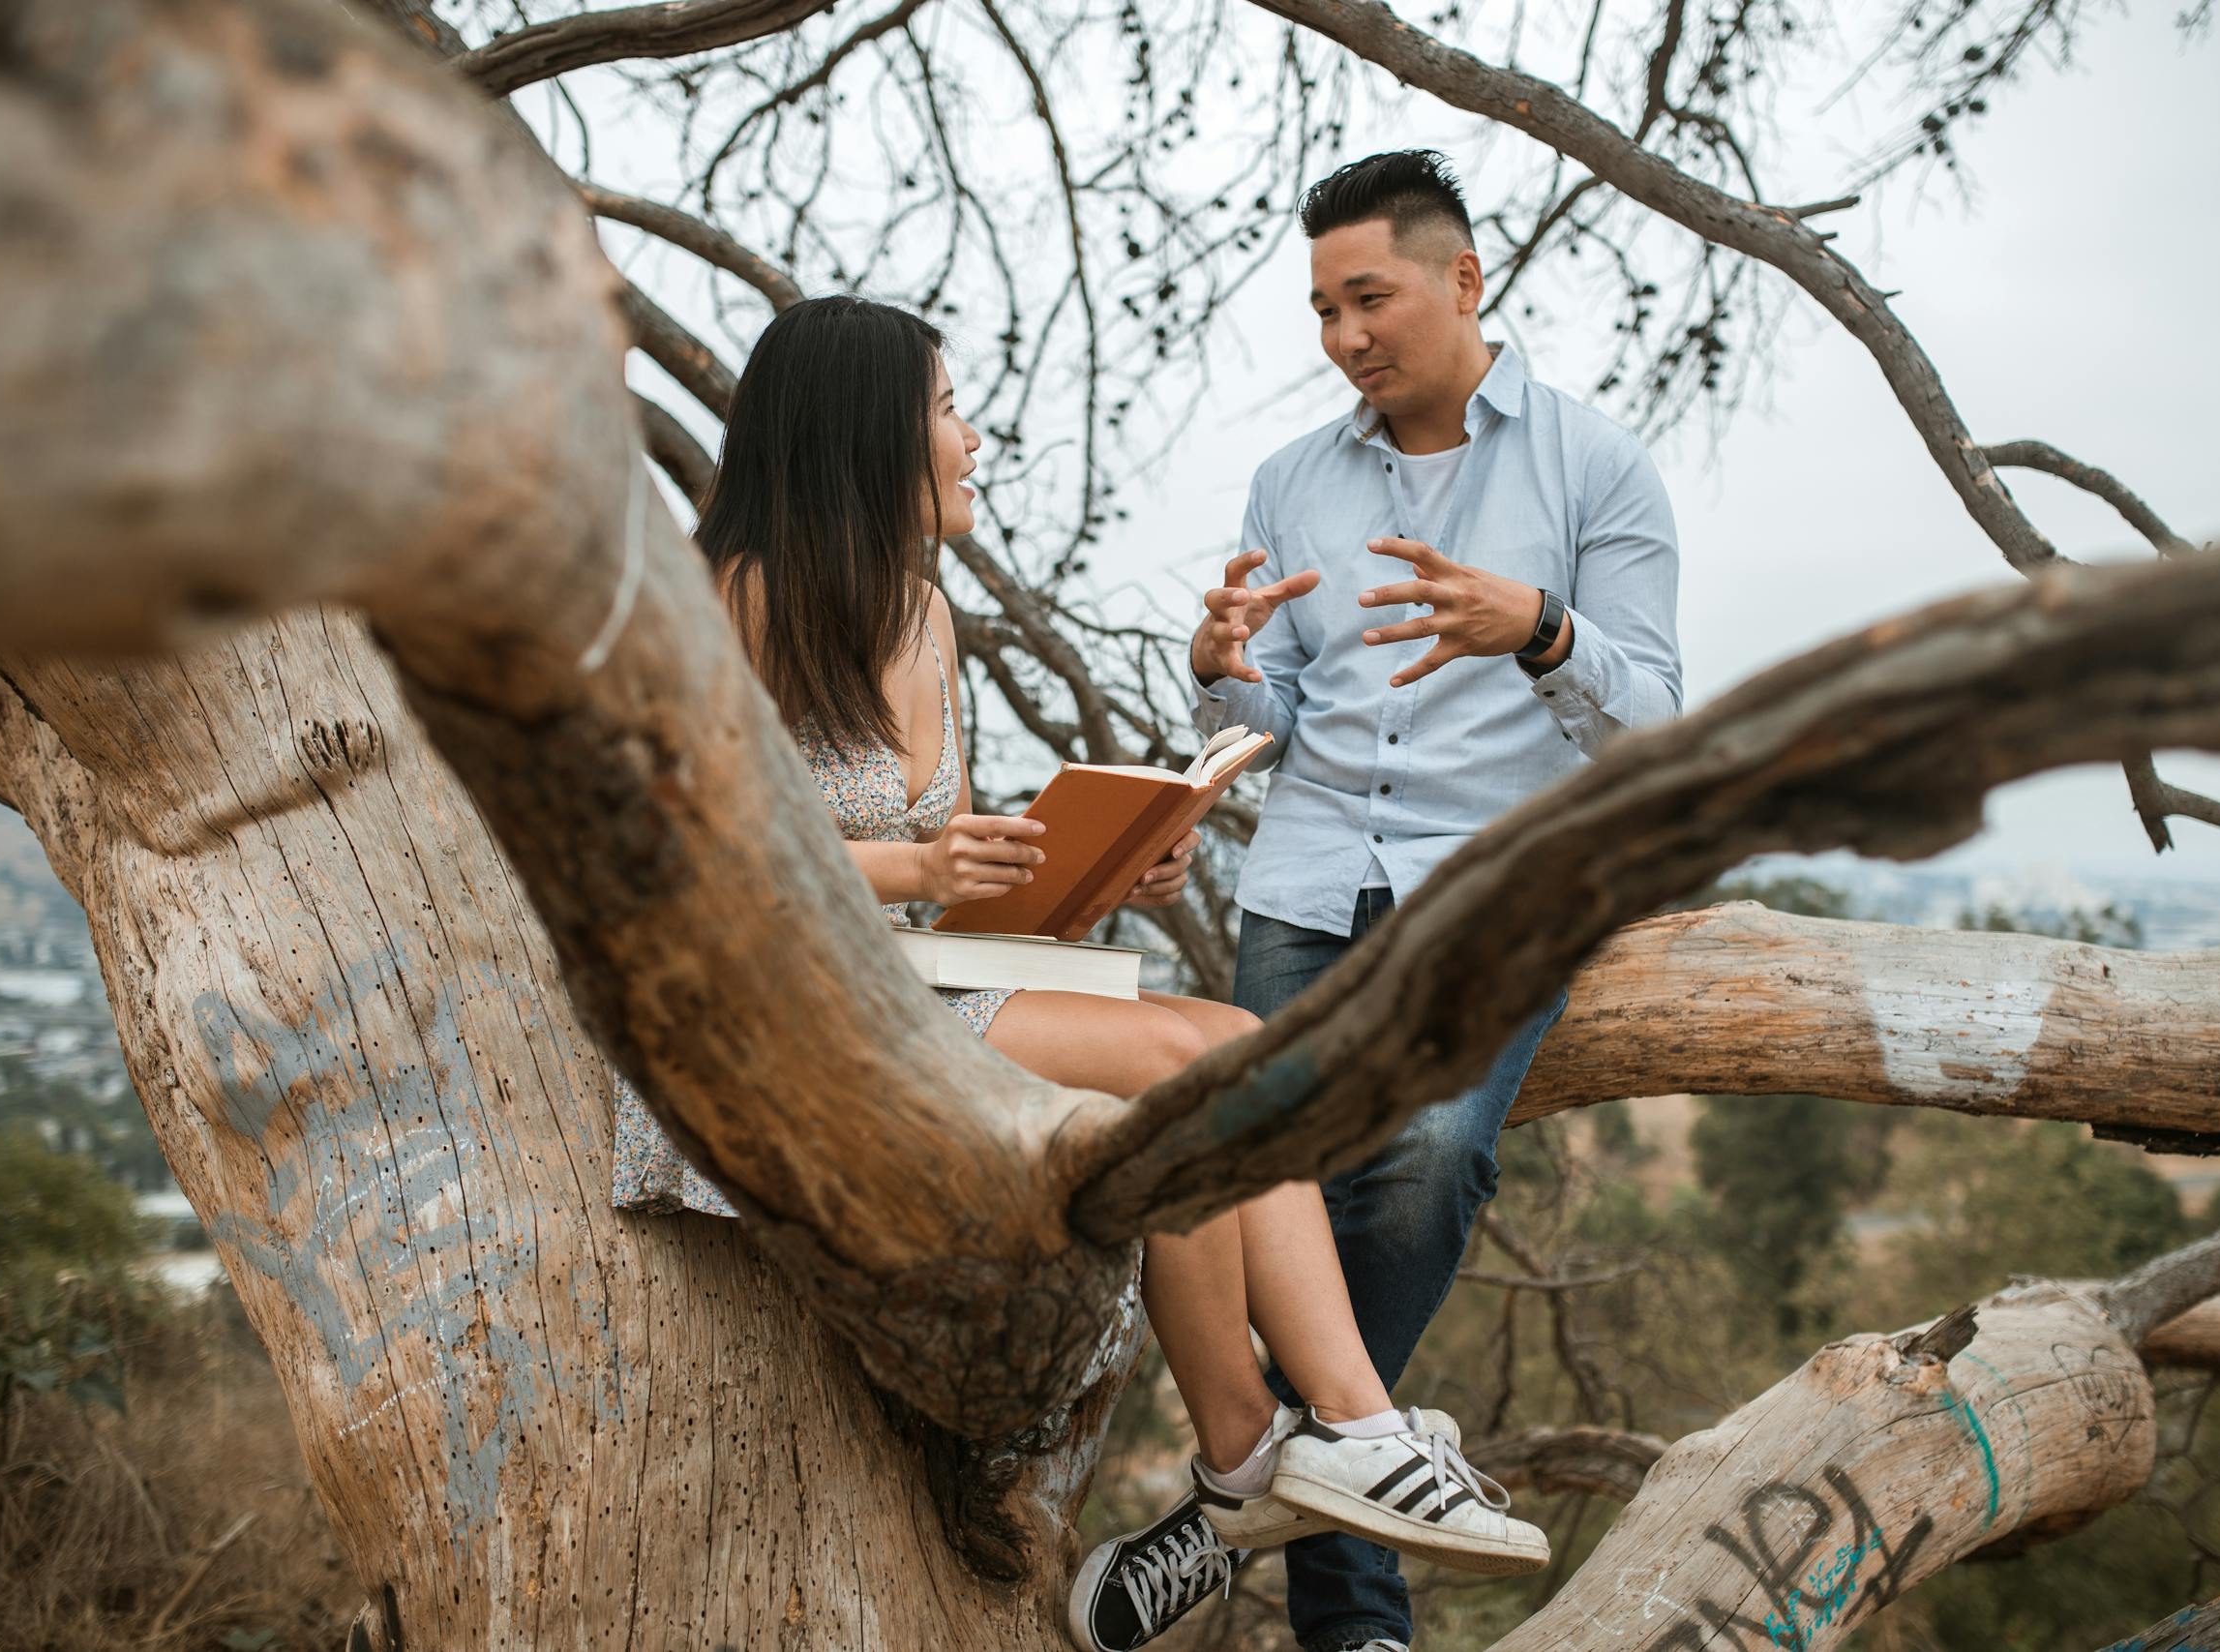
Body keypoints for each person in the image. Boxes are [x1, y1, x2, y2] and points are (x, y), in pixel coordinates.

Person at [601, 296, 1550, 1652]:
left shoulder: (921, 612)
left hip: (902, 992)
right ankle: (1333, 1435)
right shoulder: (735, 596)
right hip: (762, 1033)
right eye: (943, 409)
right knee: (1210, 1064)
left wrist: (1098, 870)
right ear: (865, 434)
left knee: (1237, 1041)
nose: (972, 438)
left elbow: (945, 860)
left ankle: (1263, 1456)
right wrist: (922, 878)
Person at [1073, 152, 1683, 1652]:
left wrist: (1536, 629)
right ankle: (1356, 1616)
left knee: (1416, 1163)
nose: (1346, 334)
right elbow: (1273, 703)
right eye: (1324, 309)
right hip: (1310, 877)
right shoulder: (1292, 482)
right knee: (1229, 1175)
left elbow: (1661, 728)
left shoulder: (1598, 468)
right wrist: (1219, 660)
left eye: (1371, 297)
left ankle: (1240, 1504)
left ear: (1464, 282)